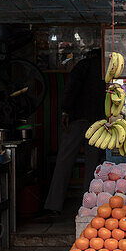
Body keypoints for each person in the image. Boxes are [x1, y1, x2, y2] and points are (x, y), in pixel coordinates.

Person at [43, 47, 106, 217]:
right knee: (93, 164)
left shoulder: (82, 66)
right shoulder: (108, 68)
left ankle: (53, 205)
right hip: (99, 122)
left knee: (64, 160)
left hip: (78, 119)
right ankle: (89, 206)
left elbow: (70, 90)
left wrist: (65, 111)